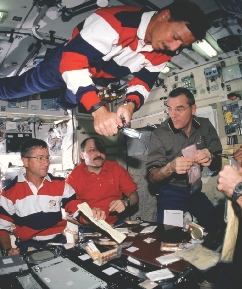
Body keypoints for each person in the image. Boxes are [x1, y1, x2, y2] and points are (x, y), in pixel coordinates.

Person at [0, 1, 208, 136]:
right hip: (65, 63)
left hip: (98, 78)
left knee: (70, 100)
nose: (173, 48)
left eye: (181, 46)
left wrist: (130, 105)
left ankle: (63, 100)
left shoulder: (166, 50)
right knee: (22, 87)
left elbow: (144, 81)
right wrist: (98, 110)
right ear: (164, 16)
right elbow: (73, 63)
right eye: (175, 37)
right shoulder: (114, 21)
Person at [146, 87, 222, 231]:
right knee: (169, 235)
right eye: (170, 109)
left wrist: (211, 157)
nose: (173, 115)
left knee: (217, 227)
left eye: (179, 109)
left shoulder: (205, 126)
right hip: (171, 193)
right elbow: (152, 176)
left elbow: (217, 164)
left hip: (195, 191)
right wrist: (170, 167)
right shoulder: (159, 134)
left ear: (193, 109)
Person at [0, 138, 79, 255]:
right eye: (40, 158)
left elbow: (77, 209)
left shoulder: (60, 184)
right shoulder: (10, 193)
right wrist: (8, 250)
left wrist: (92, 214)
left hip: (58, 245)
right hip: (28, 248)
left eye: (47, 158)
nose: (46, 163)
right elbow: (2, 228)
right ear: (25, 161)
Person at [66, 137, 138, 226]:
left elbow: (134, 195)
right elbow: (68, 207)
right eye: (92, 150)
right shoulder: (74, 177)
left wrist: (126, 202)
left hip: (116, 224)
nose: (99, 153)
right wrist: (88, 217)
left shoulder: (116, 168)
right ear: (82, 155)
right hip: (89, 227)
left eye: (101, 150)